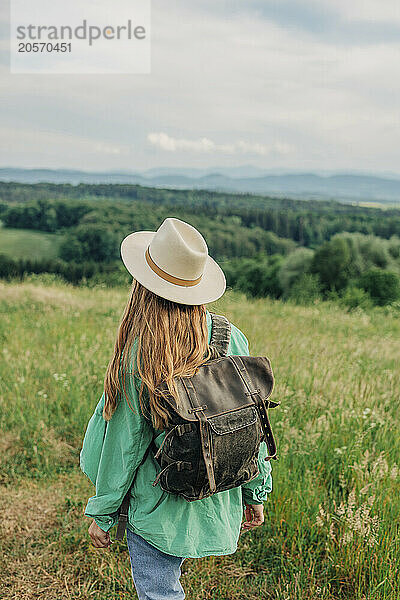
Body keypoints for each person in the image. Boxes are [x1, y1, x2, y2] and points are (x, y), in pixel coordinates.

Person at [79, 217, 273, 600]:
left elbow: (125, 445)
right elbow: (248, 423)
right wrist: (256, 491)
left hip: (158, 502)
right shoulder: (229, 336)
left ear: (143, 287)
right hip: (214, 490)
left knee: (158, 592)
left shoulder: (141, 353)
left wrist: (102, 512)